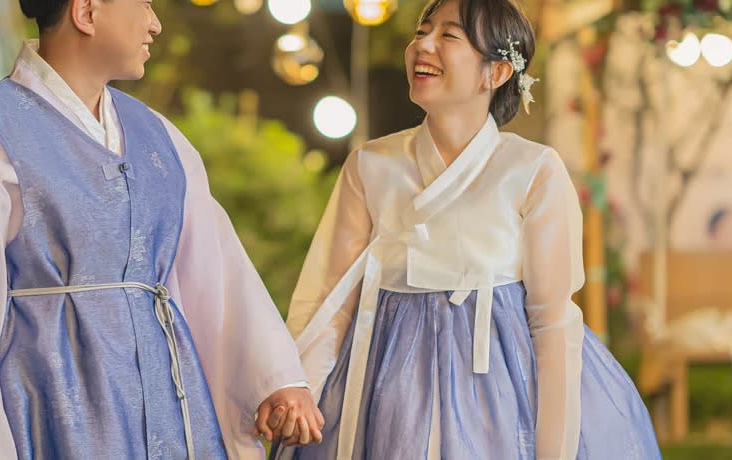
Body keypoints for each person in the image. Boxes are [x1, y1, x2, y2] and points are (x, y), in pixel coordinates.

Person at [0, 0, 322, 458]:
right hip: (48, 403)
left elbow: (217, 268)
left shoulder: (161, 137)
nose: (155, 24)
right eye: (145, 4)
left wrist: (275, 378)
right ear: (86, 12)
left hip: (171, 398)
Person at [277, 0, 660, 458]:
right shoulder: (371, 164)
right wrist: (296, 386)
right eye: (423, 30)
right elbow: (330, 300)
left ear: (495, 73)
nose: (424, 44)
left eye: (449, 35)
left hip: (500, 392)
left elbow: (553, 320)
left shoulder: (532, 169)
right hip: (390, 385)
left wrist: (553, 449)